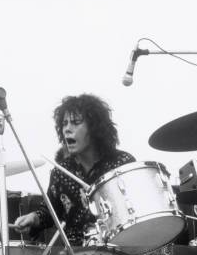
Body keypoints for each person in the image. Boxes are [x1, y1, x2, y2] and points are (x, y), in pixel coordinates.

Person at [14, 94, 135, 245]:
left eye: (75, 123)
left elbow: (136, 212)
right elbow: (50, 213)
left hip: (119, 249)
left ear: (94, 128)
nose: (67, 130)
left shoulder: (121, 163)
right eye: (64, 124)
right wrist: (34, 218)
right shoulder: (61, 172)